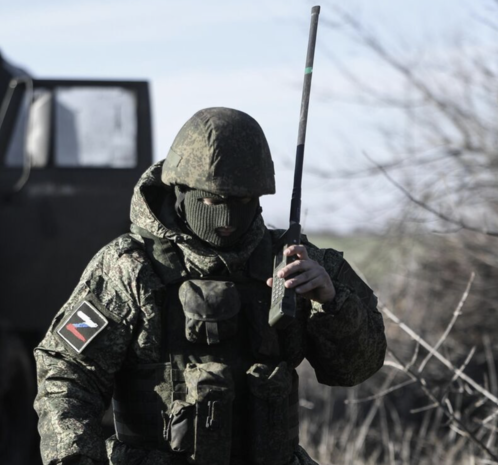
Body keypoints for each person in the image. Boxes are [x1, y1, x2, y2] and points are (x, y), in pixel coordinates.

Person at [34, 107, 387, 465]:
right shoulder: (128, 268)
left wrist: (331, 302)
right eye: (213, 202)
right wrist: (75, 455)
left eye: (244, 201)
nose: (227, 219)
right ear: (181, 192)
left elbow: (356, 369)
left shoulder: (297, 263)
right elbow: (66, 372)